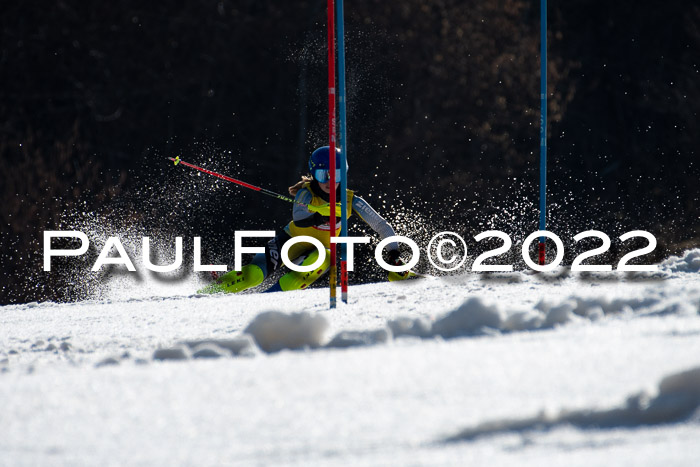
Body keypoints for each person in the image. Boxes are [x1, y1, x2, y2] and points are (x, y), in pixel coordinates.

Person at [200, 146, 411, 294]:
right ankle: (210, 292)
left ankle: (267, 300)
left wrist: (393, 254)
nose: (329, 181)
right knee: (254, 275)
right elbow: (299, 219)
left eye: (336, 175)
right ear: (314, 174)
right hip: (289, 241)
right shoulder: (306, 193)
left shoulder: (352, 200)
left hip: (319, 250)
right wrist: (319, 214)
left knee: (322, 258)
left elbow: (382, 225)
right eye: (322, 175)